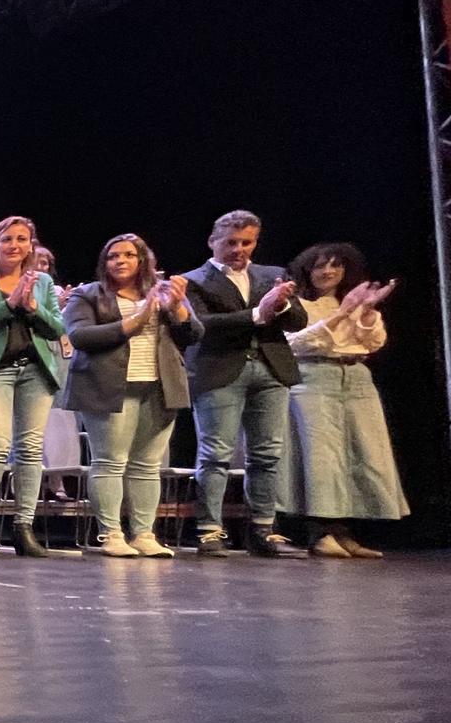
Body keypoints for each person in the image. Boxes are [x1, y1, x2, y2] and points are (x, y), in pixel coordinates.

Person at [59, 234, 202, 557]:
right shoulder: (88, 295)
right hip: (109, 388)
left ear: (142, 260)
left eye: (128, 255)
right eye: (113, 256)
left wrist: (177, 307)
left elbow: (194, 335)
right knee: (109, 462)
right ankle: (110, 534)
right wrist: (135, 321)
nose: (120, 261)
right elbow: (80, 335)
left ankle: (143, 534)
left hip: (160, 386)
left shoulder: (164, 293)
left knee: (147, 465)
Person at [180, 210, 307, 557]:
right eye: (231, 242)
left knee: (267, 453)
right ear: (213, 241)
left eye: (246, 242)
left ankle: (263, 529)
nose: (239, 249)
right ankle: (209, 530)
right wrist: (257, 314)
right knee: (215, 454)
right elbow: (201, 325)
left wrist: (280, 307)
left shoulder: (272, 275)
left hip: (270, 369)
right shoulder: (192, 280)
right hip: (219, 370)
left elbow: (298, 321)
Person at [280, 242, 406, 556]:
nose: (328, 272)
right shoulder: (298, 304)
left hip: (356, 378)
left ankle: (344, 532)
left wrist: (368, 311)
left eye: (335, 265)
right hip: (314, 377)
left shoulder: (351, 302)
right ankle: (320, 533)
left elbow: (375, 341)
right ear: (307, 271)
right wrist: (342, 314)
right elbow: (294, 344)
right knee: (323, 459)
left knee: (361, 455)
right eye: (320, 266)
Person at [0, 216, 67, 557]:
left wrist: (33, 309)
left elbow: (57, 328)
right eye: (7, 239)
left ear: (30, 245)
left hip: (35, 371)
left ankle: (24, 528)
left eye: (22, 239)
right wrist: (9, 306)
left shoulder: (42, 282)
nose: (14, 245)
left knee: (30, 450)